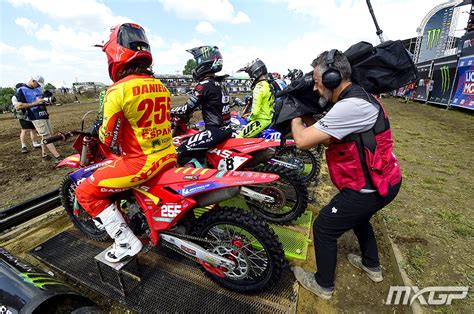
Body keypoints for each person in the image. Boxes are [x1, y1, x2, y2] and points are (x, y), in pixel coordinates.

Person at [290, 50, 402, 299]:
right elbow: (331, 141)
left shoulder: (351, 106)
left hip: (371, 186)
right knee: (359, 219)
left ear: (332, 79)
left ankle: (323, 285)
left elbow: (301, 141)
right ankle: (372, 266)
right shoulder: (355, 99)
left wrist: (295, 114)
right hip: (383, 179)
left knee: (324, 227)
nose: (317, 90)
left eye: (318, 83)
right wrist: (310, 119)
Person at [75, 23, 177, 263]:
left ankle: (125, 242)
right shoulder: (160, 86)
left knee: (84, 191)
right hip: (169, 155)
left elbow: (109, 139)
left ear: (115, 55)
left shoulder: (117, 90)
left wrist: (101, 132)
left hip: (140, 164)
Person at [171, 45, 231, 165]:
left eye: (196, 62)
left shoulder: (204, 85)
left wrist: (170, 111)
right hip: (227, 128)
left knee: (180, 152)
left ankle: (200, 180)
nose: (195, 66)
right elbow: (211, 103)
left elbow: (186, 108)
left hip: (215, 131)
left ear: (204, 62)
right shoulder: (220, 83)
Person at [14, 75, 62, 161]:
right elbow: (18, 106)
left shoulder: (38, 89)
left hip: (44, 114)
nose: (39, 86)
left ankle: (44, 154)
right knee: (47, 136)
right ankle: (57, 156)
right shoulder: (22, 90)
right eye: (38, 84)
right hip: (35, 115)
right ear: (33, 81)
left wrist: (47, 101)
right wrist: (36, 103)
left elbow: (41, 100)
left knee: (48, 135)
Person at [236, 59, 275, 138]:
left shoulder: (258, 88)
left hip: (261, 120)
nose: (250, 77)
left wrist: (248, 117)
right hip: (269, 118)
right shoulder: (268, 84)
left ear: (255, 73)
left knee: (238, 137)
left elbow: (255, 112)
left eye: (250, 75)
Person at [12, 82, 41, 153]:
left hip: (31, 113)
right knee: (24, 130)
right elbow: (17, 107)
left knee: (33, 129)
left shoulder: (27, 94)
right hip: (23, 115)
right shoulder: (15, 97)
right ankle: (23, 146)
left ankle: (35, 143)